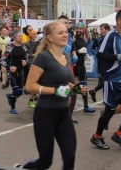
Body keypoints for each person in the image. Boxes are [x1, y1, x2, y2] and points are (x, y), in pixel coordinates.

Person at [14, 21, 85, 170]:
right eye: (60, 33)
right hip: (45, 114)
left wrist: (77, 88)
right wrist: (55, 91)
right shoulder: (43, 58)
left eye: (66, 32)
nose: (65, 35)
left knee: (70, 157)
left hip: (64, 113)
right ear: (49, 37)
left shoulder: (66, 56)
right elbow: (29, 86)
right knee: (45, 162)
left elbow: (65, 82)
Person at [90, 9, 121, 150]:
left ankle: (120, 133)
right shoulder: (111, 35)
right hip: (112, 79)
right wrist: (117, 57)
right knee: (109, 111)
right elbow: (99, 54)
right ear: (119, 21)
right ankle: (97, 136)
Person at [1, 31, 29, 114]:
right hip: (12, 71)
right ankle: (13, 108)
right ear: (15, 37)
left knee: (20, 92)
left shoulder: (24, 47)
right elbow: (2, 60)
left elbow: (27, 58)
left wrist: (25, 62)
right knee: (16, 90)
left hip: (21, 71)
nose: (21, 38)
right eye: (19, 36)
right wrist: (9, 67)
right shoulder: (10, 47)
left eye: (22, 36)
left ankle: (10, 96)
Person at [74, 22, 95, 114]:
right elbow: (68, 51)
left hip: (82, 66)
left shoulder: (84, 40)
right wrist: (78, 51)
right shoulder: (73, 40)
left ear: (83, 30)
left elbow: (84, 51)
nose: (78, 30)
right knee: (69, 85)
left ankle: (86, 106)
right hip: (74, 65)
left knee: (84, 85)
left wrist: (85, 55)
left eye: (80, 29)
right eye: (77, 28)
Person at [89, 23, 111, 102]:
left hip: (110, 61)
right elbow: (92, 48)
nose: (101, 31)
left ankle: (94, 91)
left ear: (107, 30)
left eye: (102, 29)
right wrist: (95, 53)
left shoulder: (111, 38)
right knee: (105, 79)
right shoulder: (98, 39)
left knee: (106, 79)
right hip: (102, 62)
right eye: (100, 29)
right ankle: (106, 98)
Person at [23, 29, 38, 108]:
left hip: (36, 63)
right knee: (31, 81)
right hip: (29, 63)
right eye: (33, 34)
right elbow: (25, 54)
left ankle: (32, 98)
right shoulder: (26, 44)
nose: (35, 36)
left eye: (35, 34)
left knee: (36, 82)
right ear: (30, 35)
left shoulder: (37, 43)